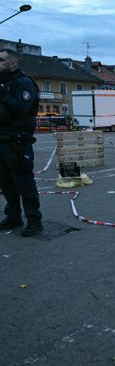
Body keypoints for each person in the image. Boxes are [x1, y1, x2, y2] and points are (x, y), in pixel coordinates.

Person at [0, 48, 43, 236]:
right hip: (1, 139)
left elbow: (20, 109)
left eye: (0, 60)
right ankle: (13, 217)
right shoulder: (3, 84)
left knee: (24, 182)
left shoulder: (24, 83)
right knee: (6, 183)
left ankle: (34, 221)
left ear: (13, 63)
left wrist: (2, 93)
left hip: (17, 140)